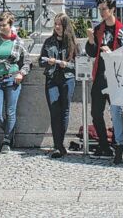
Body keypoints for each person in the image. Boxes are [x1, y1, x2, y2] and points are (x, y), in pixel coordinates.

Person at [85, 0, 123, 161]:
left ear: (112, 10)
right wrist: (91, 40)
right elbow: (91, 53)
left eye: (104, 9)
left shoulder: (122, 30)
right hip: (100, 77)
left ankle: (118, 143)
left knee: (116, 113)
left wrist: (112, 54)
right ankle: (104, 145)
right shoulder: (98, 29)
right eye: (100, 9)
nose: (101, 12)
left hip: (116, 77)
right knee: (96, 113)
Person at [0, 11, 30, 153]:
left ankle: (6, 140)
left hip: (12, 79)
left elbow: (27, 62)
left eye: (4, 25)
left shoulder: (17, 41)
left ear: (11, 25)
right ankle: (10, 131)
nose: (1, 28)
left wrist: (21, 73)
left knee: (10, 112)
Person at [39, 13, 77, 159]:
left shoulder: (72, 43)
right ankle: (58, 146)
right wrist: (48, 62)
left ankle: (59, 145)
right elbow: (40, 61)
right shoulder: (49, 41)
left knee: (65, 111)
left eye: (60, 24)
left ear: (65, 26)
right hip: (52, 78)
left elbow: (79, 65)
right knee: (55, 110)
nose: (57, 27)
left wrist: (66, 64)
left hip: (68, 79)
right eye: (55, 24)